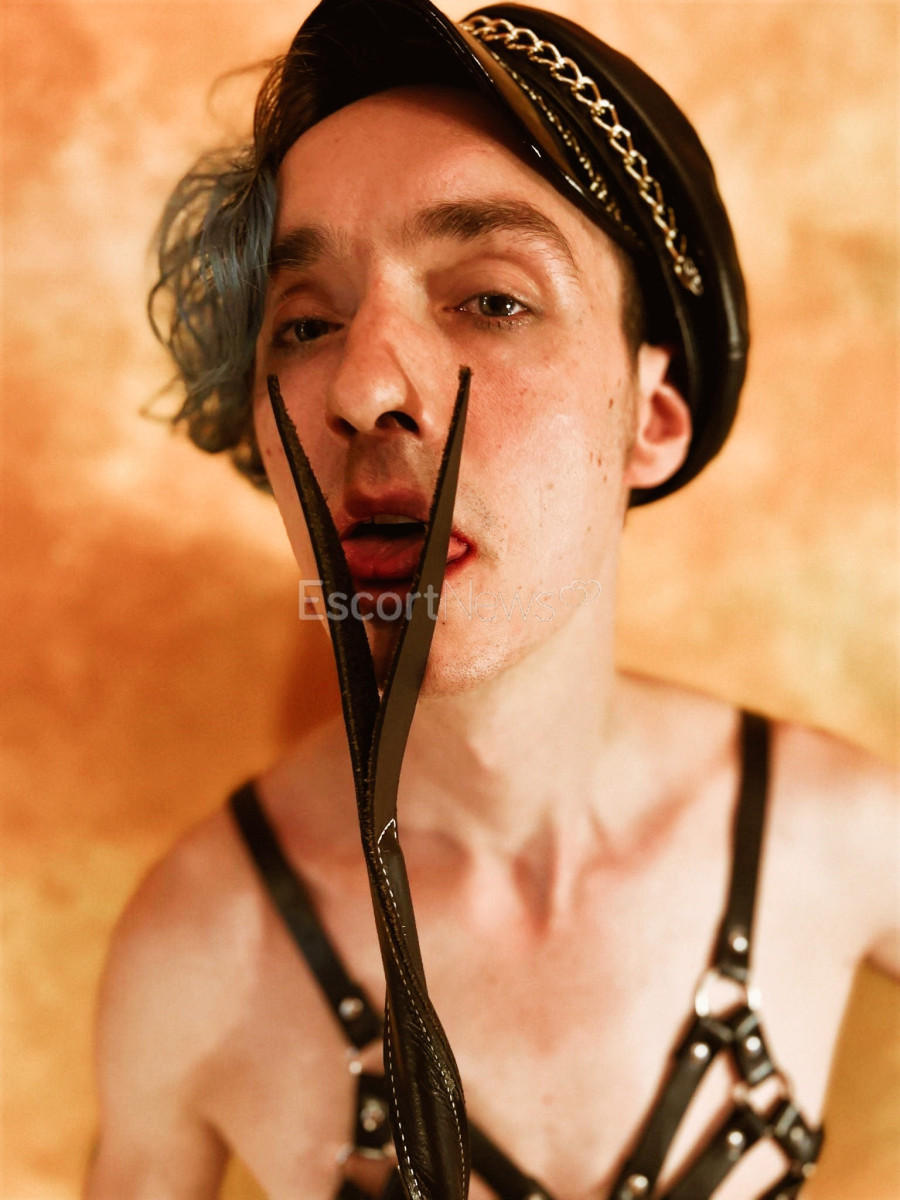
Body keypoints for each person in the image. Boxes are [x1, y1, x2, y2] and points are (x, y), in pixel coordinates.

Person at [86, 1, 899, 1197]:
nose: (363, 387)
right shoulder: (196, 954)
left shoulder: (843, 839)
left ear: (651, 420)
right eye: (304, 324)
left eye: (493, 300)